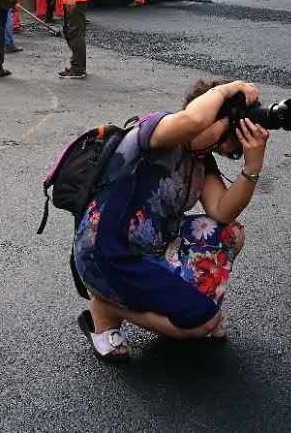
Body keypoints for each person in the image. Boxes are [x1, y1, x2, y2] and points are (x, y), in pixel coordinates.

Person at [73, 79, 269, 361]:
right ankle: (106, 309)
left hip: (153, 247)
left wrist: (253, 166)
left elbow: (222, 211)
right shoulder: (159, 130)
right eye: (227, 129)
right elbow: (193, 119)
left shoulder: (200, 159)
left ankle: (179, 304)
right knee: (203, 323)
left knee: (230, 233)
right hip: (110, 252)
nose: (227, 143)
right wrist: (229, 89)